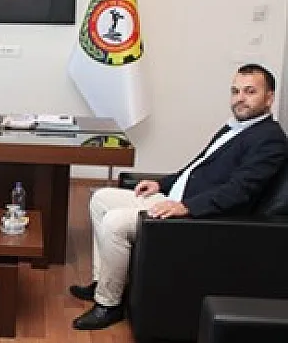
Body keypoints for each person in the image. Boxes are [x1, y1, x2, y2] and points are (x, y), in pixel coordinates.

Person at [69, 64, 288, 330]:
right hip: (176, 201)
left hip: (200, 218)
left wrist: (187, 207)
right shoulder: (235, 128)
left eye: (250, 92)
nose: (240, 98)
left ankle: (108, 305)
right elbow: (196, 168)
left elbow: (240, 191)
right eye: (235, 91)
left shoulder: (270, 139)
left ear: (269, 98)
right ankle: (103, 282)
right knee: (101, 198)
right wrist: (161, 184)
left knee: (115, 222)